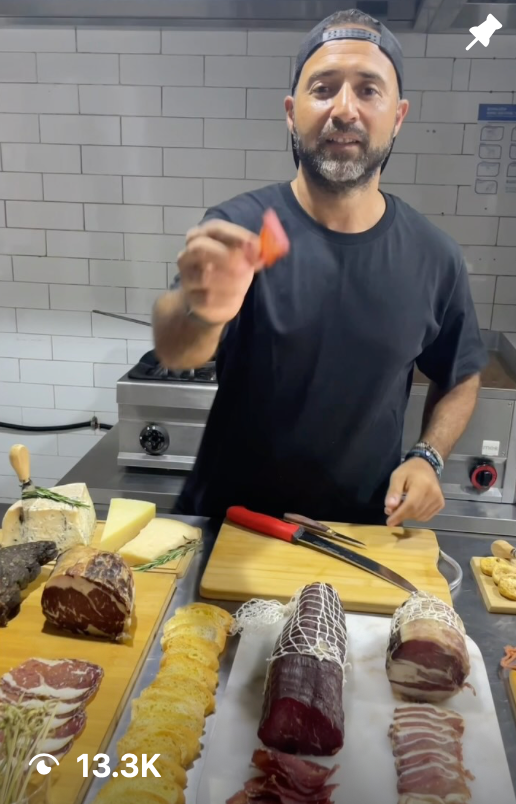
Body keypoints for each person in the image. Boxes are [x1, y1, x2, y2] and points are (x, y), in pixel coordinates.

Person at [153, 8, 487, 528]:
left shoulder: (434, 255)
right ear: (292, 111)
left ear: (398, 115)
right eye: (323, 88)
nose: (344, 109)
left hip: (357, 537)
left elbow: (462, 375)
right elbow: (177, 350)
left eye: (368, 90)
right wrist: (203, 311)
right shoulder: (240, 227)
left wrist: (428, 455)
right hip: (230, 533)